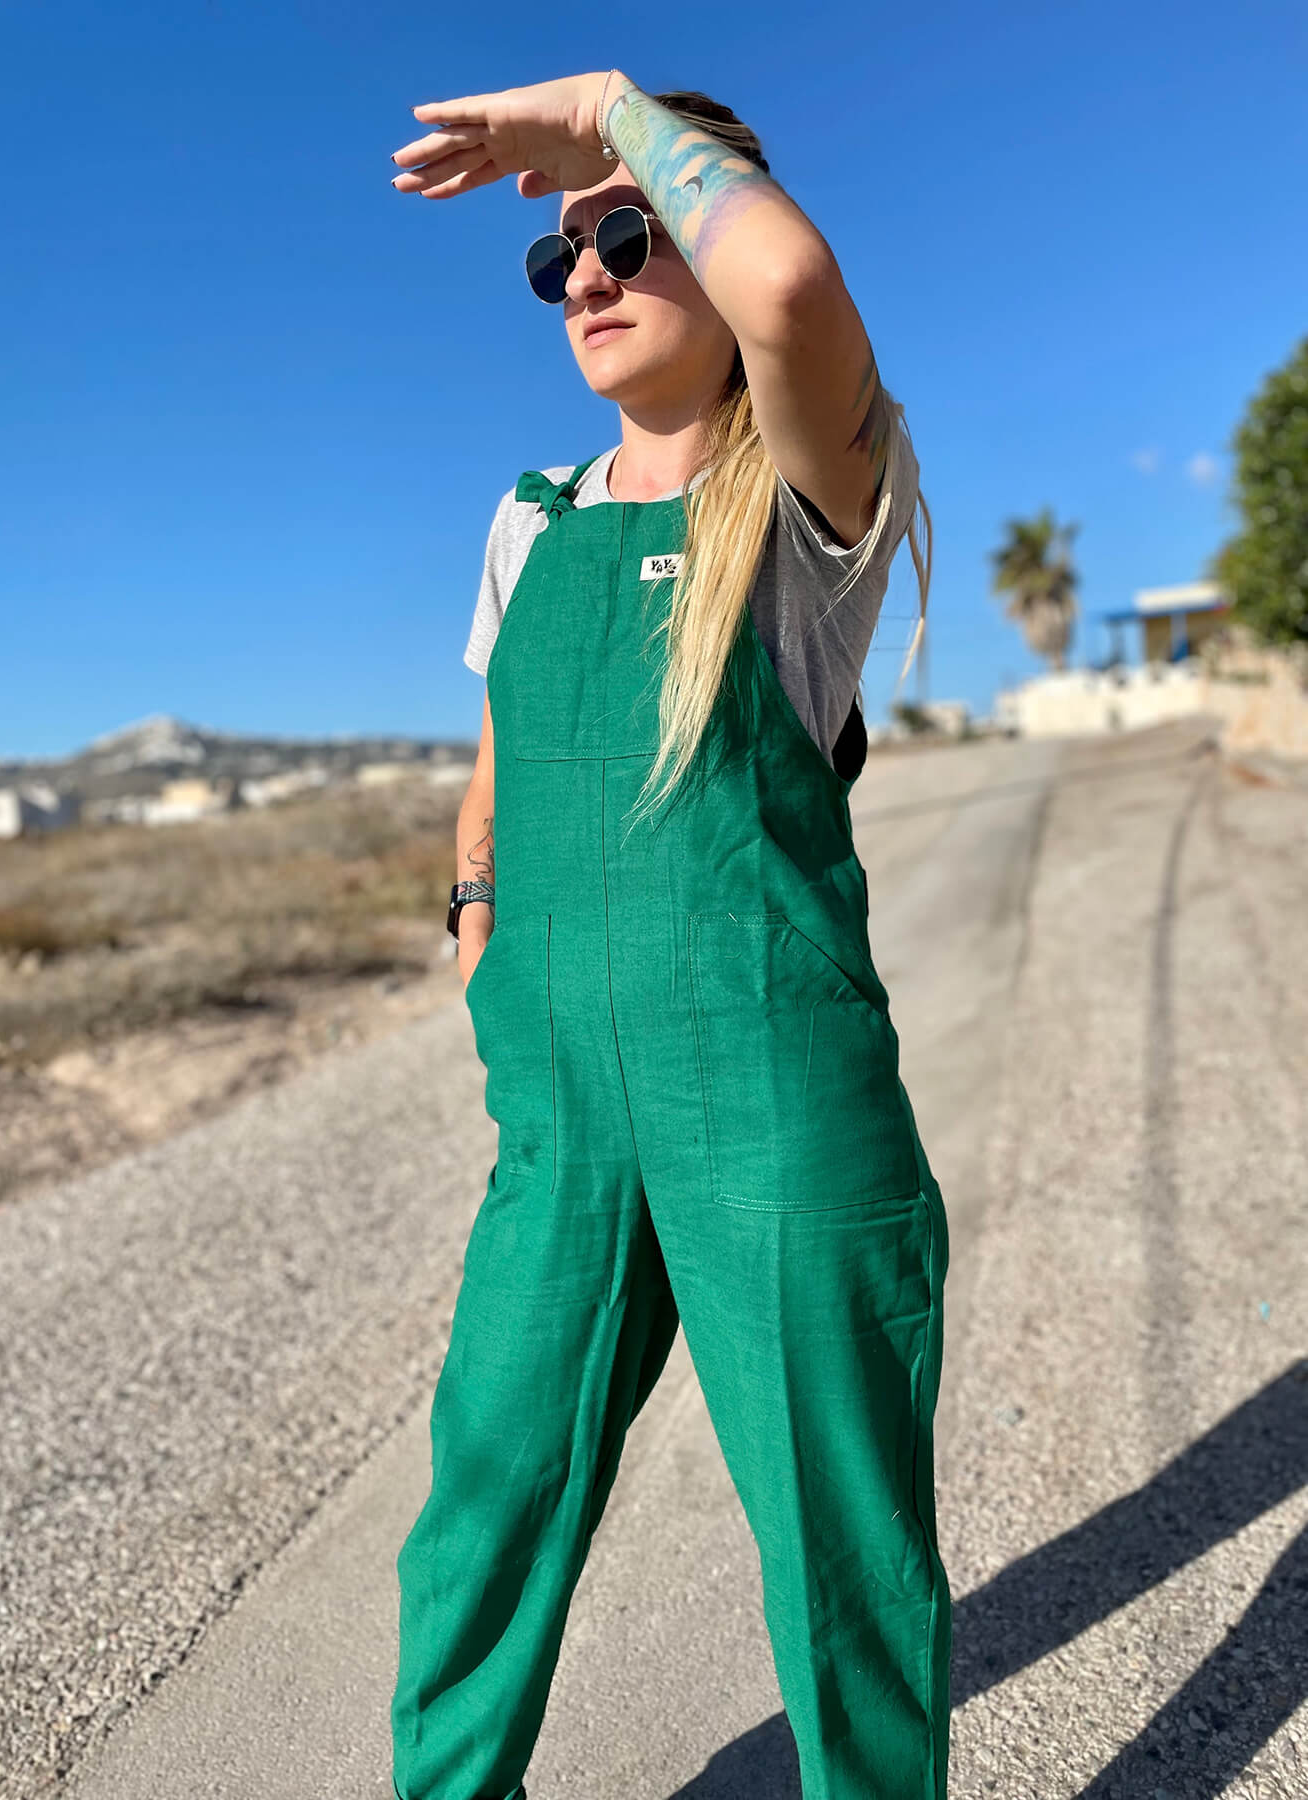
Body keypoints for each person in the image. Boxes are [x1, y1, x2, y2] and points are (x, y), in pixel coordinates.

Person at [387, 69, 950, 1800]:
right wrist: (481, 936)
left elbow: (786, 287)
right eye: (557, 261)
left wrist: (608, 114)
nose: (589, 275)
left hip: (769, 1085)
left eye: (628, 235)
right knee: (483, 1499)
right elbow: (488, 785)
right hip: (558, 1112)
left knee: (838, 1547)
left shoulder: (800, 504)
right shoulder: (527, 520)